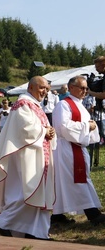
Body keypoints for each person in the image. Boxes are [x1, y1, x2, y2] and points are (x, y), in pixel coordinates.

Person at [0, 76, 56, 240]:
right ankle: (4, 222)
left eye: (46, 89)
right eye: (42, 88)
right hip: (25, 156)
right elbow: (24, 128)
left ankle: (36, 231)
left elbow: (42, 126)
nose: (44, 92)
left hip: (39, 154)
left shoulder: (36, 106)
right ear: (31, 87)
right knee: (26, 193)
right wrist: (44, 131)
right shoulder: (23, 104)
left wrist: (50, 131)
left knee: (36, 194)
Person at [51, 75, 105, 225]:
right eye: (82, 88)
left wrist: (90, 127)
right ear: (71, 88)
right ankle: (92, 214)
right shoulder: (63, 105)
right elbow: (63, 127)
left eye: (86, 88)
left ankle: (57, 215)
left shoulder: (79, 105)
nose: (85, 91)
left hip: (77, 147)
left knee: (66, 182)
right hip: (67, 148)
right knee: (77, 180)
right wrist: (87, 126)